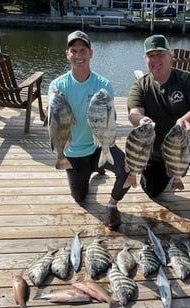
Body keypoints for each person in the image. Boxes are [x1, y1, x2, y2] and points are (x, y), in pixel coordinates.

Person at [127, 34, 190, 232]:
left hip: (189, 139)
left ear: (170, 56)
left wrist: (186, 119)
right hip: (156, 150)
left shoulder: (186, 80)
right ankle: (169, 172)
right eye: (150, 56)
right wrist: (142, 120)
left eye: (160, 54)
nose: (155, 60)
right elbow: (134, 113)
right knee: (152, 190)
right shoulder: (140, 86)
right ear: (146, 59)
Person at [48, 30, 129, 229]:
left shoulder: (104, 86)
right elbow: (54, 123)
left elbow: (111, 122)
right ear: (67, 54)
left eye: (83, 50)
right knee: (79, 198)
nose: (78, 56)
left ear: (91, 53)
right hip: (74, 152)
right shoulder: (57, 86)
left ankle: (112, 205)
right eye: (73, 51)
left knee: (128, 169)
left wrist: (107, 143)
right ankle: (93, 171)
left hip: (99, 147)